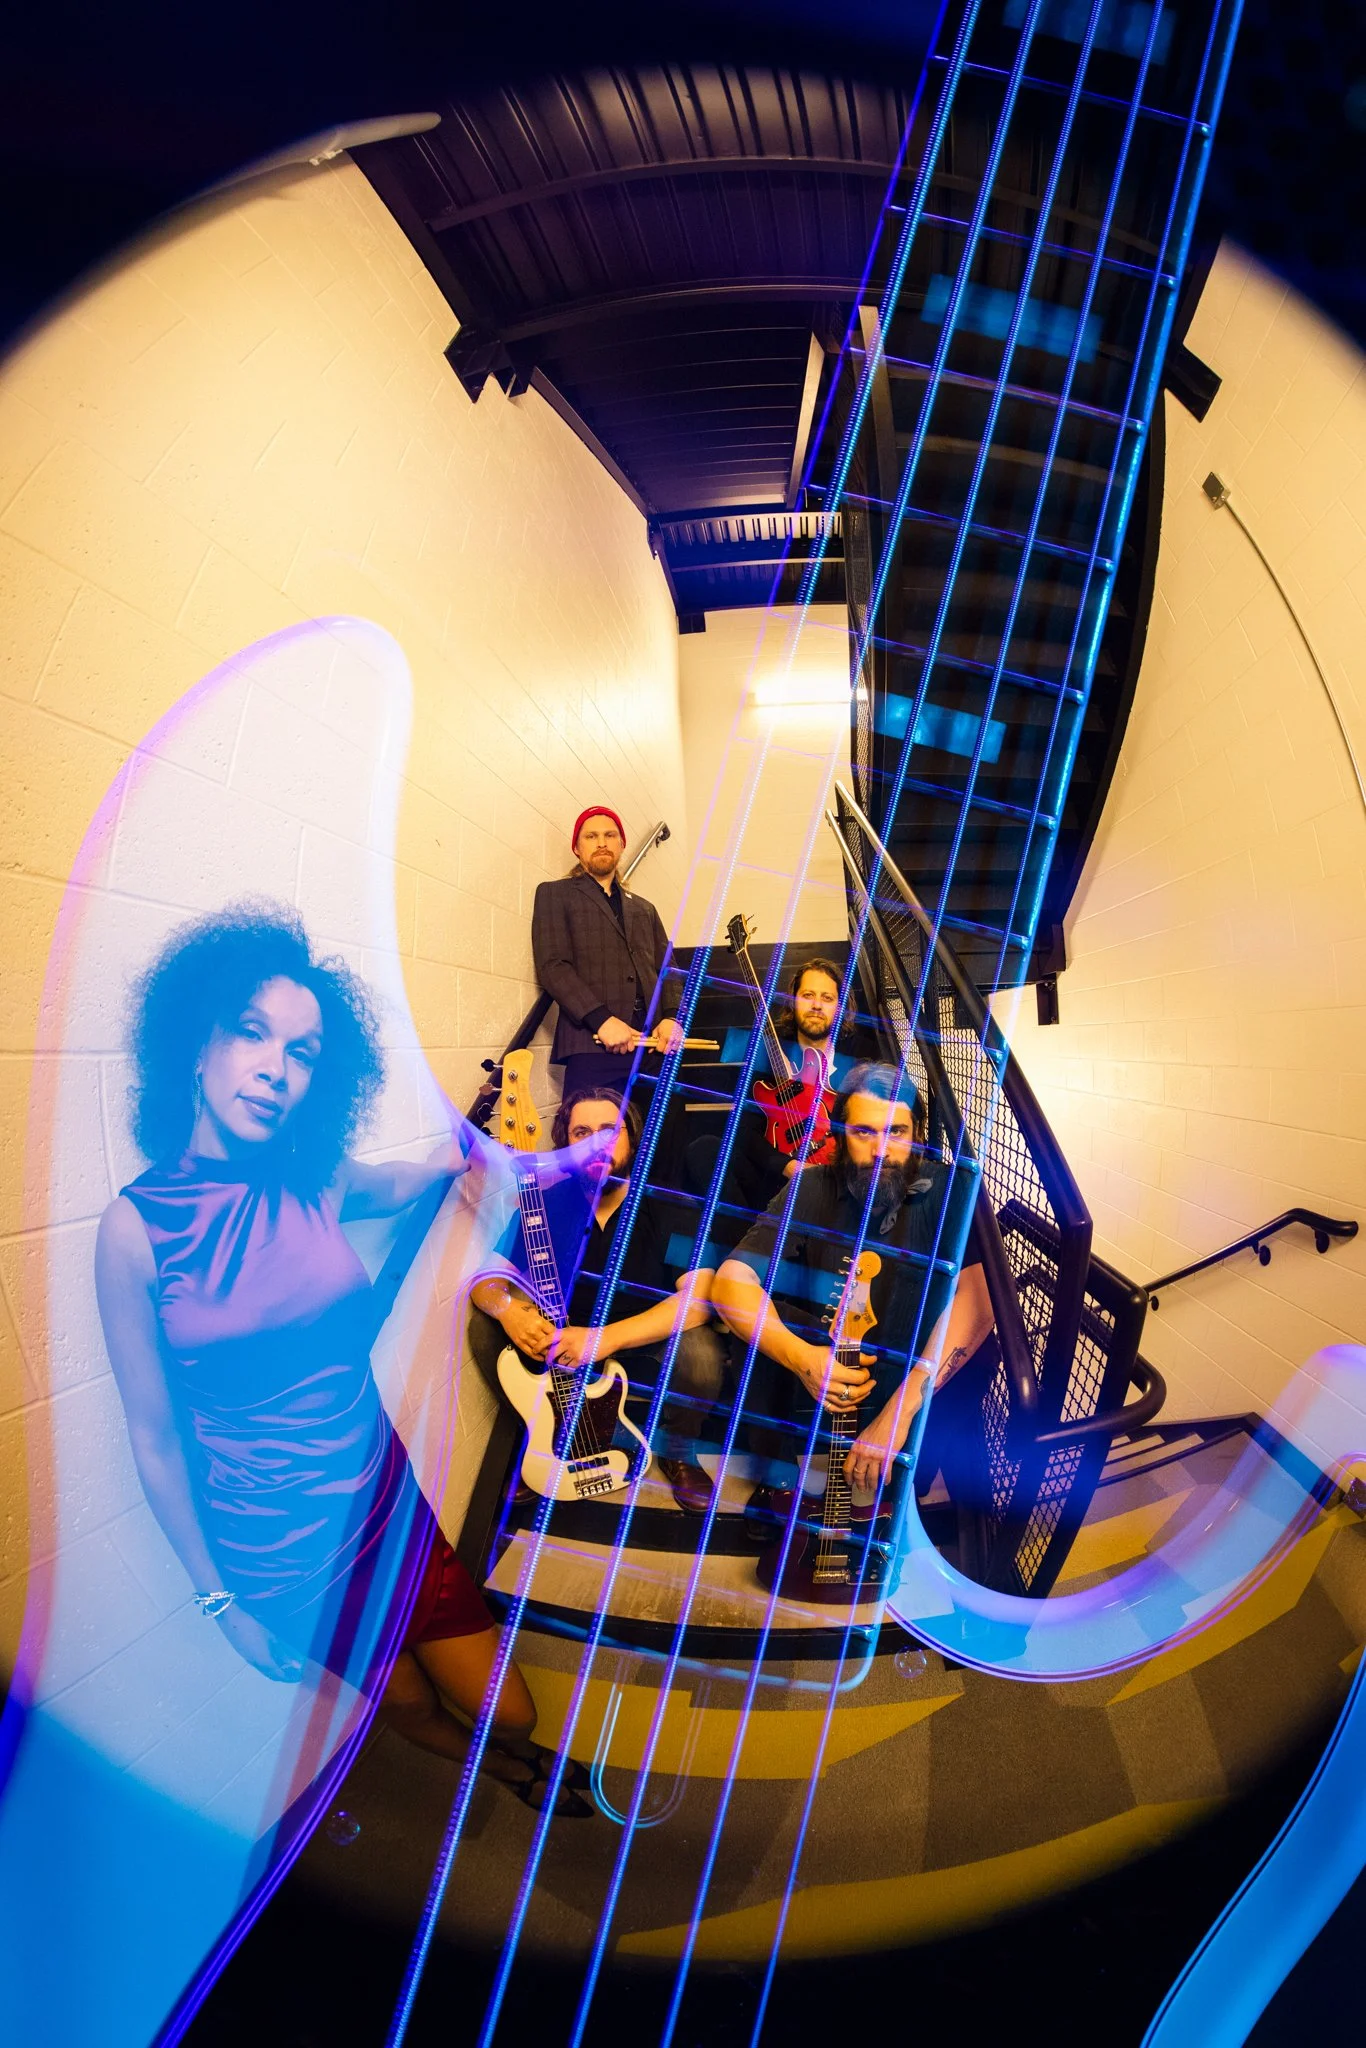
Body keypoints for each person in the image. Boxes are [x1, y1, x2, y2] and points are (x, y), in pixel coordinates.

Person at [95, 901, 591, 1818]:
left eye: (303, 1052)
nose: (274, 1069)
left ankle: (510, 1751)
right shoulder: (135, 1229)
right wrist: (219, 1602)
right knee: (400, 1706)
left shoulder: (315, 1175)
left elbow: (395, 1182)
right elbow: (154, 1437)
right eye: (251, 1032)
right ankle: (497, 1774)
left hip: (385, 1506)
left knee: (511, 1709)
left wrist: (460, 1161)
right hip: (277, 1557)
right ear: (198, 1046)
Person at [709, 1061, 996, 1538]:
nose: (881, 1150)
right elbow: (731, 1280)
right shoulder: (811, 1186)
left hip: (915, 1373)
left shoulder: (953, 1190)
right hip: (833, 1362)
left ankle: (904, 1491)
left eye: (896, 1132)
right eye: (864, 1132)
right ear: (840, 1133)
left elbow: (980, 1304)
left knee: (976, 1357)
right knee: (755, 1332)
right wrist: (801, 1358)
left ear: (917, 1133)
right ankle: (785, 1477)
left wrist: (899, 1412)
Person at [468, 1088, 730, 1514]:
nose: (595, 1143)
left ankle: (677, 1448)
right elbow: (485, 1280)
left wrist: (605, 1338)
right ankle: (539, 1437)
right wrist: (508, 1310)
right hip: (566, 1343)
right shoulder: (543, 1204)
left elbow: (701, 1297)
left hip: (647, 1338)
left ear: (632, 1138)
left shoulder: (671, 1206)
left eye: (609, 1130)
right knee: (483, 1329)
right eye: (581, 1132)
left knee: (701, 1354)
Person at [684, 954, 871, 1220]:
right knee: (704, 1150)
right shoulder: (767, 1058)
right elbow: (744, 1130)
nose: (816, 1005)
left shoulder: (858, 1061)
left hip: (837, 1177)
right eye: (807, 995)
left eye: (827, 998)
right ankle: (747, 1239)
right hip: (774, 1178)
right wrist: (788, 1166)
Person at [531, 805, 684, 1100]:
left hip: (653, 1047)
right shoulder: (554, 894)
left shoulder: (645, 908)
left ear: (622, 844)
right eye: (591, 836)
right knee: (589, 1130)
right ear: (577, 848)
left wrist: (672, 1017)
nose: (601, 842)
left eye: (610, 835)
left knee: (657, 1130)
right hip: (592, 1045)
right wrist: (601, 1019)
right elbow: (553, 966)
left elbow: (670, 968)